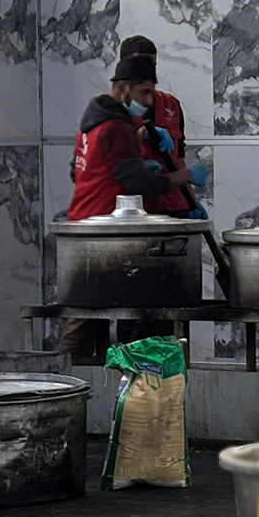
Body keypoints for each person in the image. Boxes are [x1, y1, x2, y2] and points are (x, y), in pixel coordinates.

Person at [58, 54, 197, 363]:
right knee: (123, 318)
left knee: (85, 316)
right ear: (123, 89)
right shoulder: (115, 127)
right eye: (143, 92)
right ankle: (121, 378)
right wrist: (184, 177)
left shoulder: (92, 121)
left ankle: (70, 377)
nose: (149, 101)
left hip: (84, 229)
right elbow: (139, 182)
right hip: (106, 234)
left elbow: (98, 170)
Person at [119, 34, 209, 219]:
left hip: (174, 206)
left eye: (151, 66)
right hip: (135, 211)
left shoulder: (171, 105)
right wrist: (140, 135)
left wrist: (191, 200)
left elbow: (179, 156)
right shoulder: (112, 110)